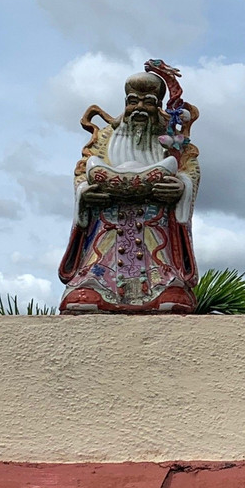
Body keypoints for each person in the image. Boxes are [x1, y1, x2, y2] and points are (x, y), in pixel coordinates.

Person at [59, 60, 199, 313]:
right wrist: (84, 193)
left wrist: (181, 187)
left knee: (158, 254)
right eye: (133, 101)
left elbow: (189, 168)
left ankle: (166, 285)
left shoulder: (172, 141)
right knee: (101, 253)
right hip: (108, 217)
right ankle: (94, 286)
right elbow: (83, 171)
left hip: (154, 219)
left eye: (148, 102)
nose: (140, 108)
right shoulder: (105, 137)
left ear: (158, 105)